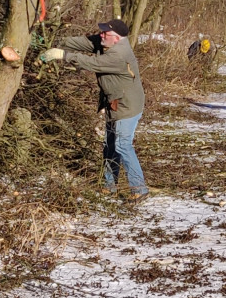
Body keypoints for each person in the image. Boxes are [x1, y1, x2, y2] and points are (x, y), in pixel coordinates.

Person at [39, 18, 147, 201]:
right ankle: (108, 185)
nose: (101, 35)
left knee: (122, 145)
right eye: (102, 32)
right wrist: (51, 40)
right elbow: (84, 42)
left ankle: (139, 188)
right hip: (115, 102)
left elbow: (91, 63)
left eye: (106, 33)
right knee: (109, 145)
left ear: (117, 38)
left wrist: (62, 55)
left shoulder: (119, 54)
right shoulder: (106, 41)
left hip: (127, 106)